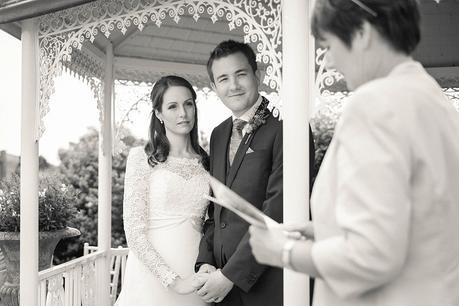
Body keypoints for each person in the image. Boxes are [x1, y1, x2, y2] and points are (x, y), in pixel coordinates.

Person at [249, 1, 459, 306]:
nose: (330, 62)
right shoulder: (436, 101)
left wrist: (282, 252)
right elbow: (422, 218)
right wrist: (329, 230)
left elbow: (372, 255)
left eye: (330, 45)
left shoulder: (375, 103)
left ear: (361, 33)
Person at [194, 39, 315, 305]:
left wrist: (230, 276)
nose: (233, 85)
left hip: (269, 286)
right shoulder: (217, 135)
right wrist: (205, 262)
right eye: (223, 79)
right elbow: (216, 211)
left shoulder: (287, 126)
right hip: (220, 289)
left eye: (241, 74)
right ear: (214, 87)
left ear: (257, 75)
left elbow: (279, 212)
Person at [115, 75, 210, 306]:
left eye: (188, 104)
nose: (183, 113)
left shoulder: (207, 162)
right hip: (153, 278)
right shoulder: (141, 158)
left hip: (198, 275)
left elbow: (216, 222)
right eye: (172, 106)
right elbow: (134, 232)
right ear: (158, 114)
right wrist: (175, 281)